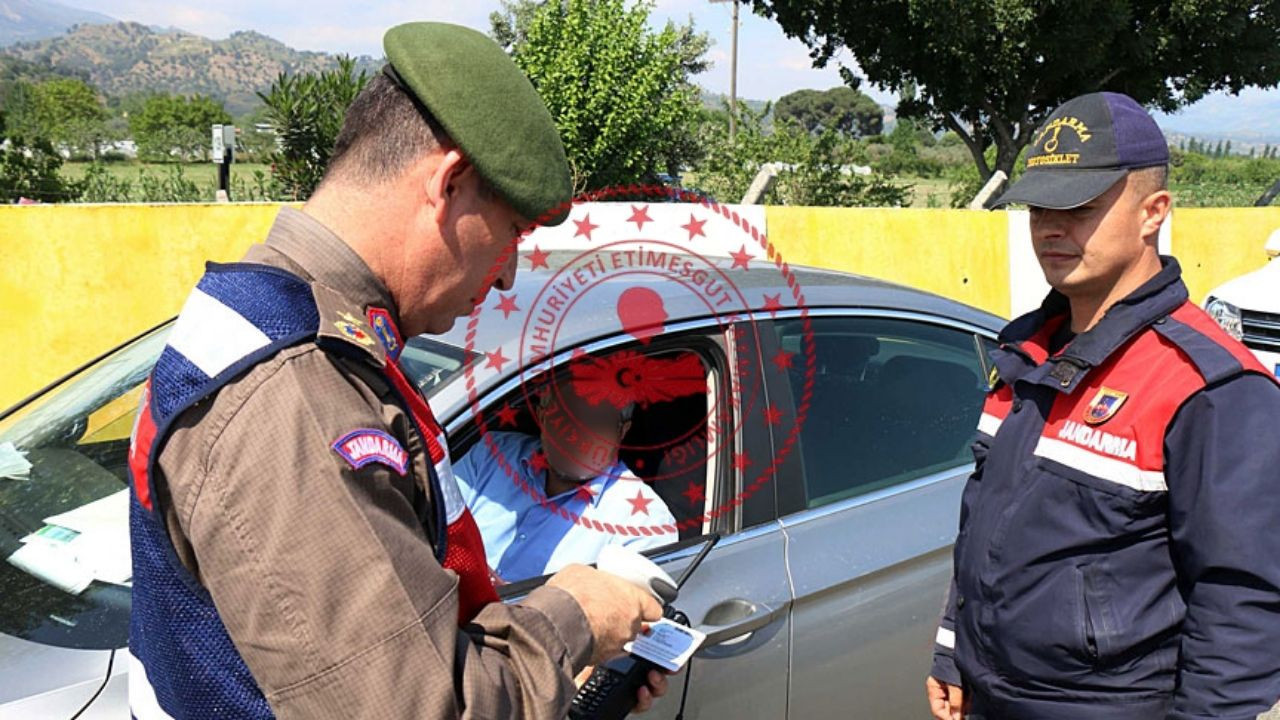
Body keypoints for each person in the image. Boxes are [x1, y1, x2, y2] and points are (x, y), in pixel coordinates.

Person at [126, 22, 666, 719]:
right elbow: (424, 708)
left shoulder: (272, 314)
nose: (507, 280)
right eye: (510, 236)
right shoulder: (298, 390)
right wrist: (575, 617)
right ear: (450, 183)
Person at [925, 92, 1280, 720]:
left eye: (1080, 207)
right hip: (991, 697)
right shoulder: (1024, 351)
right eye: (1040, 207)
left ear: (1154, 213)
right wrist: (954, 650)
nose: (1051, 227)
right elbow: (984, 521)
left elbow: (1242, 602)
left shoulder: (1211, 387)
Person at [455, 370, 677, 583]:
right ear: (542, 416)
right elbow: (432, 529)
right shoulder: (491, 455)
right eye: (566, 415)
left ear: (622, 431)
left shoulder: (644, 522)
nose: (578, 433)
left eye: (598, 421)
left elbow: (618, 616)